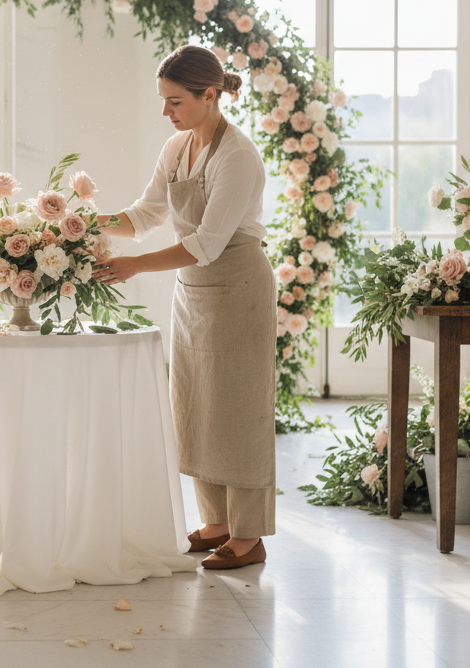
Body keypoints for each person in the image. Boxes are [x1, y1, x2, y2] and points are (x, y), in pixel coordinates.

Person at [93, 44, 276, 570]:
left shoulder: (237, 155)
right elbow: (146, 213)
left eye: (175, 101)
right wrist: (85, 226)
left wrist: (133, 266)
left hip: (238, 287)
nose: (166, 112)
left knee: (238, 411)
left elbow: (208, 243)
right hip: (192, 293)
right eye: (163, 101)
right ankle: (216, 523)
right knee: (196, 408)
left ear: (210, 95)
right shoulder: (176, 148)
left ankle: (249, 536)